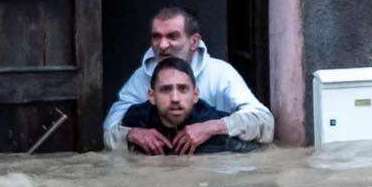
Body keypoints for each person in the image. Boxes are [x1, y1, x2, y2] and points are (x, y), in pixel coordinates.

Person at [103, 7, 273, 153]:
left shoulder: (220, 73)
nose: (162, 45)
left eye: (172, 36)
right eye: (156, 37)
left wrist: (211, 128)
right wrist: (132, 134)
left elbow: (265, 123)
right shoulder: (140, 78)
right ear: (151, 94)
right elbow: (109, 133)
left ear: (194, 42)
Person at [108, 57, 259, 155]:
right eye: (166, 89)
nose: (175, 98)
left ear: (195, 95)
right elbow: (111, 142)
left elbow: (256, 154)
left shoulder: (209, 120)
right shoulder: (137, 118)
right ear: (152, 97)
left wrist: (211, 128)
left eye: (182, 89)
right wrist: (129, 134)